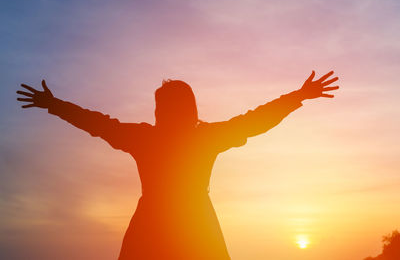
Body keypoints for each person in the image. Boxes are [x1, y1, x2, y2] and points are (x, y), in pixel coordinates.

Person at [16, 71, 339, 259]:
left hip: (157, 222)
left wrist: (54, 104)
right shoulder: (205, 136)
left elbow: (97, 123)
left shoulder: (146, 137)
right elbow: (255, 121)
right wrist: (298, 96)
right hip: (194, 222)